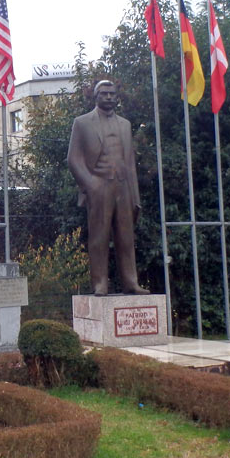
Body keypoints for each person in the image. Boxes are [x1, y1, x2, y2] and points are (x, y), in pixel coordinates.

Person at [67, 80, 148, 296]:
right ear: (96, 96)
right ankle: (100, 283)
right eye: (104, 93)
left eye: (112, 93)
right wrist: (90, 184)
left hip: (123, 187)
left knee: (126, 238)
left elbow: (130, 162)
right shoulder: (82, 123)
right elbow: (73, 159)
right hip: (99, 186)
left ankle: (131, 282)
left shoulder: (125, 124)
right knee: (99, 238)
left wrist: (135, 195)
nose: (109, 97)